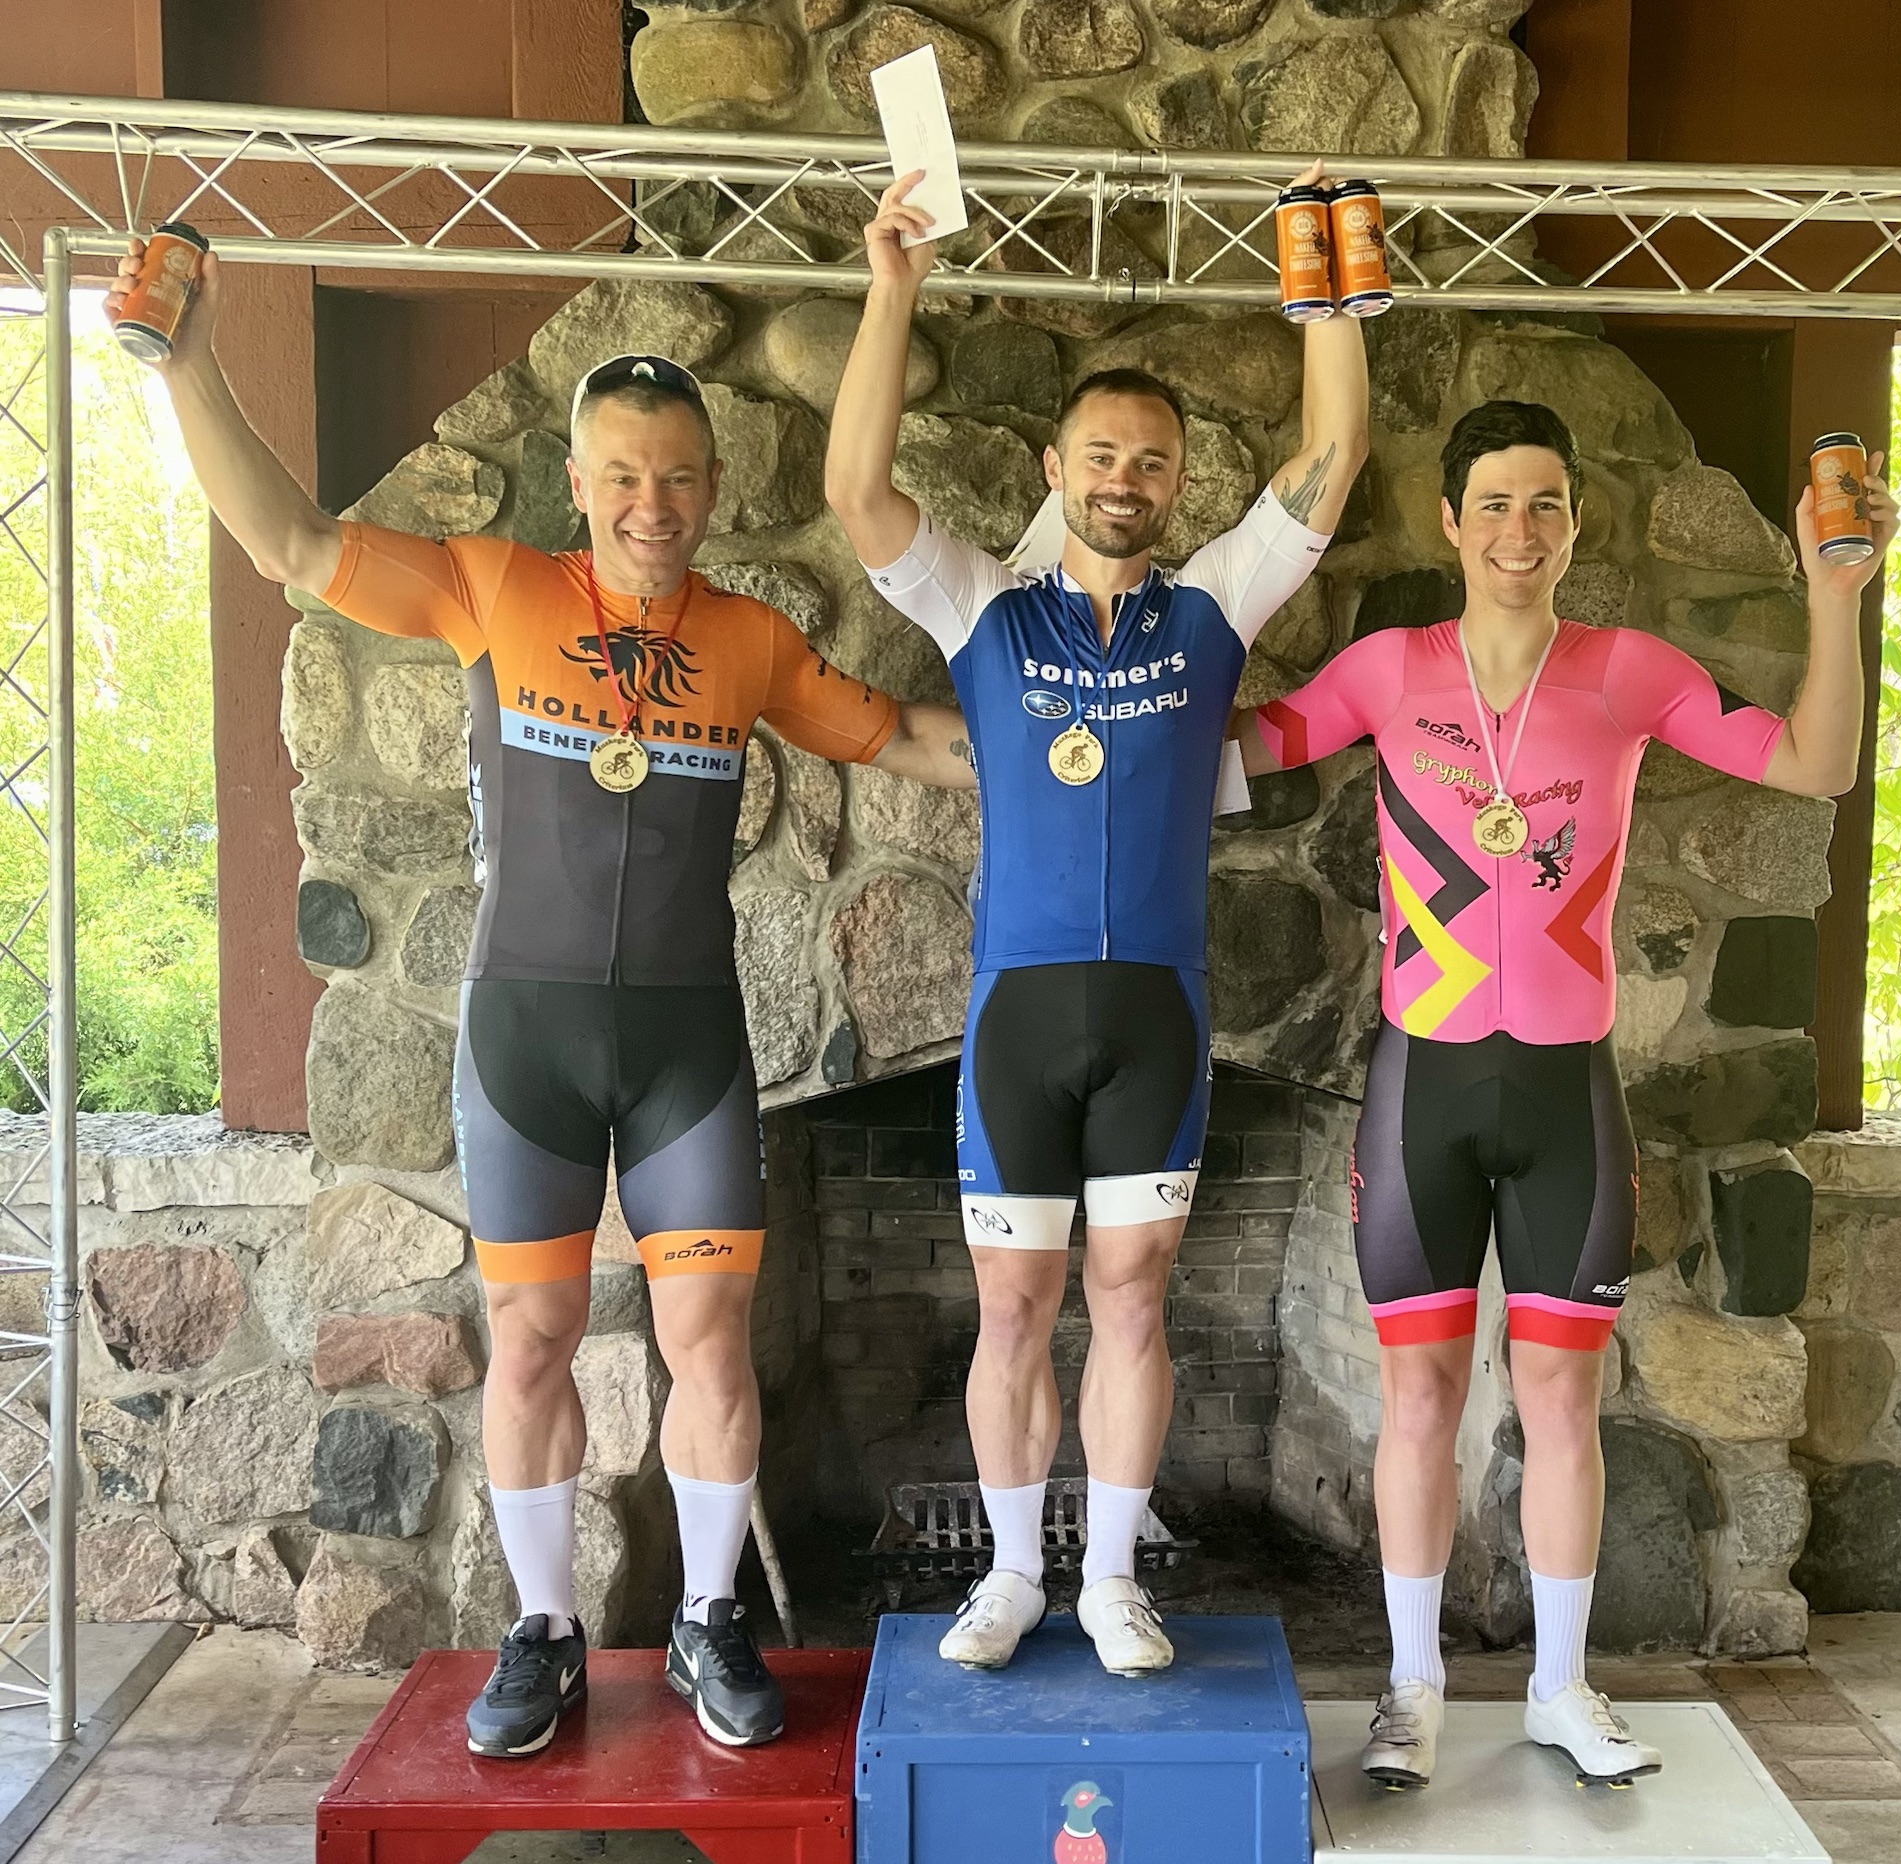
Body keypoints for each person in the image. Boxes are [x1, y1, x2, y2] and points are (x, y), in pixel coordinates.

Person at [108, 246, 973, 1757]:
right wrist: (187, 364)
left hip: (687, 1049)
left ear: (713, 488)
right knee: (528, 1340)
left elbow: (900, 736)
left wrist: (1105, 746)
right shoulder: (492, 589)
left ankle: (709, 1619)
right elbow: (290, 540)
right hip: (527, 1041)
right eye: (624, 476)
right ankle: (545, 1629)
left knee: (710, 1341)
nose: (654, 504)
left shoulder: (747, 639)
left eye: (680, 477)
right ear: (578, 482)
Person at [1239, 399, 1895, 1784]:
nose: (1518, 530)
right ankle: (1411, 1689)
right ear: (1449, 522)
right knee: (1418, 1394)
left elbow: (1815, 763)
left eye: (1544, 503)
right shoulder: (1385, 670)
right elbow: (1226, 753)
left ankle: (1557, 1686)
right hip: (1421, 1087)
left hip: (1563, 1096)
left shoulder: (1627, 673)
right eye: (1492, 503)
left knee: (1559, 1401)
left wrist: (1836, 598)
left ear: (1577, 522)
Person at [825, 168, 1369, 1677]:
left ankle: (1115, 1581)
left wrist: (1327, 292)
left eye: (1153, 461)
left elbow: (1328, 464)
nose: (1127, 477)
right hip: (1018, 1013)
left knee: (1132, 1301)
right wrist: (891, 285)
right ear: (1057, 468)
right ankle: (1011, 1578)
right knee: (1014, 1306)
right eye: (1104, 454)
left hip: (1156, 1017)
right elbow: (857, 495)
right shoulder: (984, 609)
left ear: (1177, 486)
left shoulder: (1209, 611)